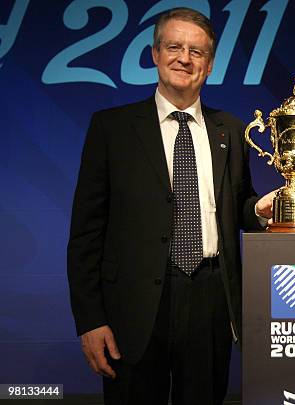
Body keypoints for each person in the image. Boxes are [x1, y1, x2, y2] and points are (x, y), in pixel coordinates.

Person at [67, 8, 270, 404]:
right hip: (135, 306)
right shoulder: (111, 128)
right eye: (174, 46)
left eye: (196, 51)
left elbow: (238, 204)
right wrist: (91, 320)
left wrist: (261, 209)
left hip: (211, 298)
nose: (184, 58)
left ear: (209, 65)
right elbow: (86, 234)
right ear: (155, 54)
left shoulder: (230, 128)